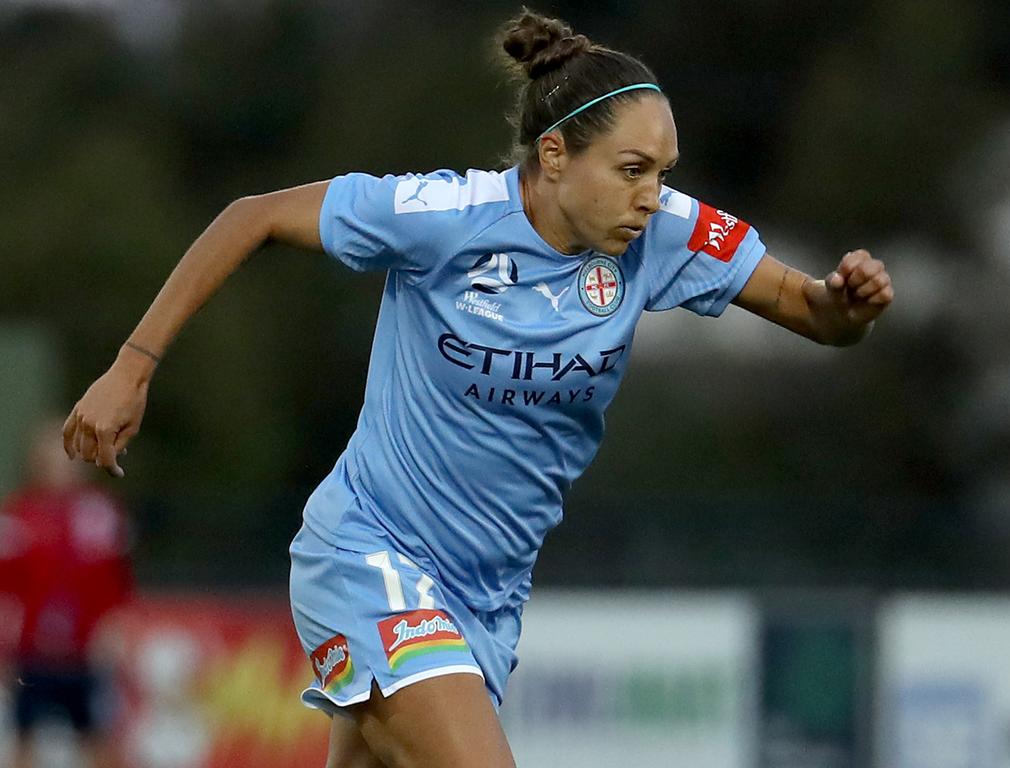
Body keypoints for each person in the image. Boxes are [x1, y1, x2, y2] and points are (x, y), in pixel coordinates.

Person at [61, 10, 893, 768]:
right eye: (633, 168)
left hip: (486, 600)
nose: (654, 194)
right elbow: (252, 214)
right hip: (372, 554)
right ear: (556, 156)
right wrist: (132, 366)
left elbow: (812, 314)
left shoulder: (664, 232)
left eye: (664, 171)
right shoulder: (444, 216)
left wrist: (844, 304)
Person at [0, 418, 133, 768]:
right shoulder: (18, 516)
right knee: (24, 734)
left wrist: (113, 628)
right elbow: (8, 590)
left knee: (100, 735)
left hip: (86, 651)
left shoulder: (101, 514)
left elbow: (117, 584)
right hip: (33, 650)